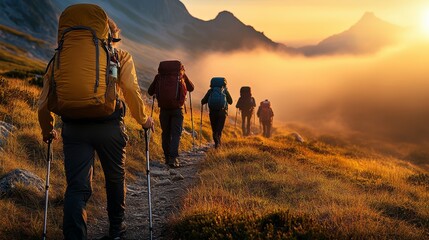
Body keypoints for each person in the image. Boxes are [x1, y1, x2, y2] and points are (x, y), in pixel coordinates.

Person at [38, 11, 154, 239]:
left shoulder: (61, 58)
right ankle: (116, 230)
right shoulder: (120, 57)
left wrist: (48, 129)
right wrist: (143, 120)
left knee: (77, 187)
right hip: (109, 127)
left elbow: (44, 101)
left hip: (73, 128)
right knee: (114, 178)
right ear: (109, 36)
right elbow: (130, 90)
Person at [147, 61, 194, 168]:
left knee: (166, 133)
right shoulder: (181, 75)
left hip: (164, 110)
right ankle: (173, 158)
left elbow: (150, 92)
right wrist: (184, 76)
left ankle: (167, 158)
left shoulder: (159, 77)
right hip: (178, 109)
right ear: (180, 68)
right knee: (176, 134)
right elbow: (191, 88)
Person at [201, 77, 233, 148]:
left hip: (212, 112)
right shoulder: (224, 91)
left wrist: (205, 101)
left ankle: (216, 142)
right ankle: (218, 143)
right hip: (222, 112)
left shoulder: (210, 91)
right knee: (219, 128)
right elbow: (231, 101)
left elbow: (203, 101)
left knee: (214, 128)